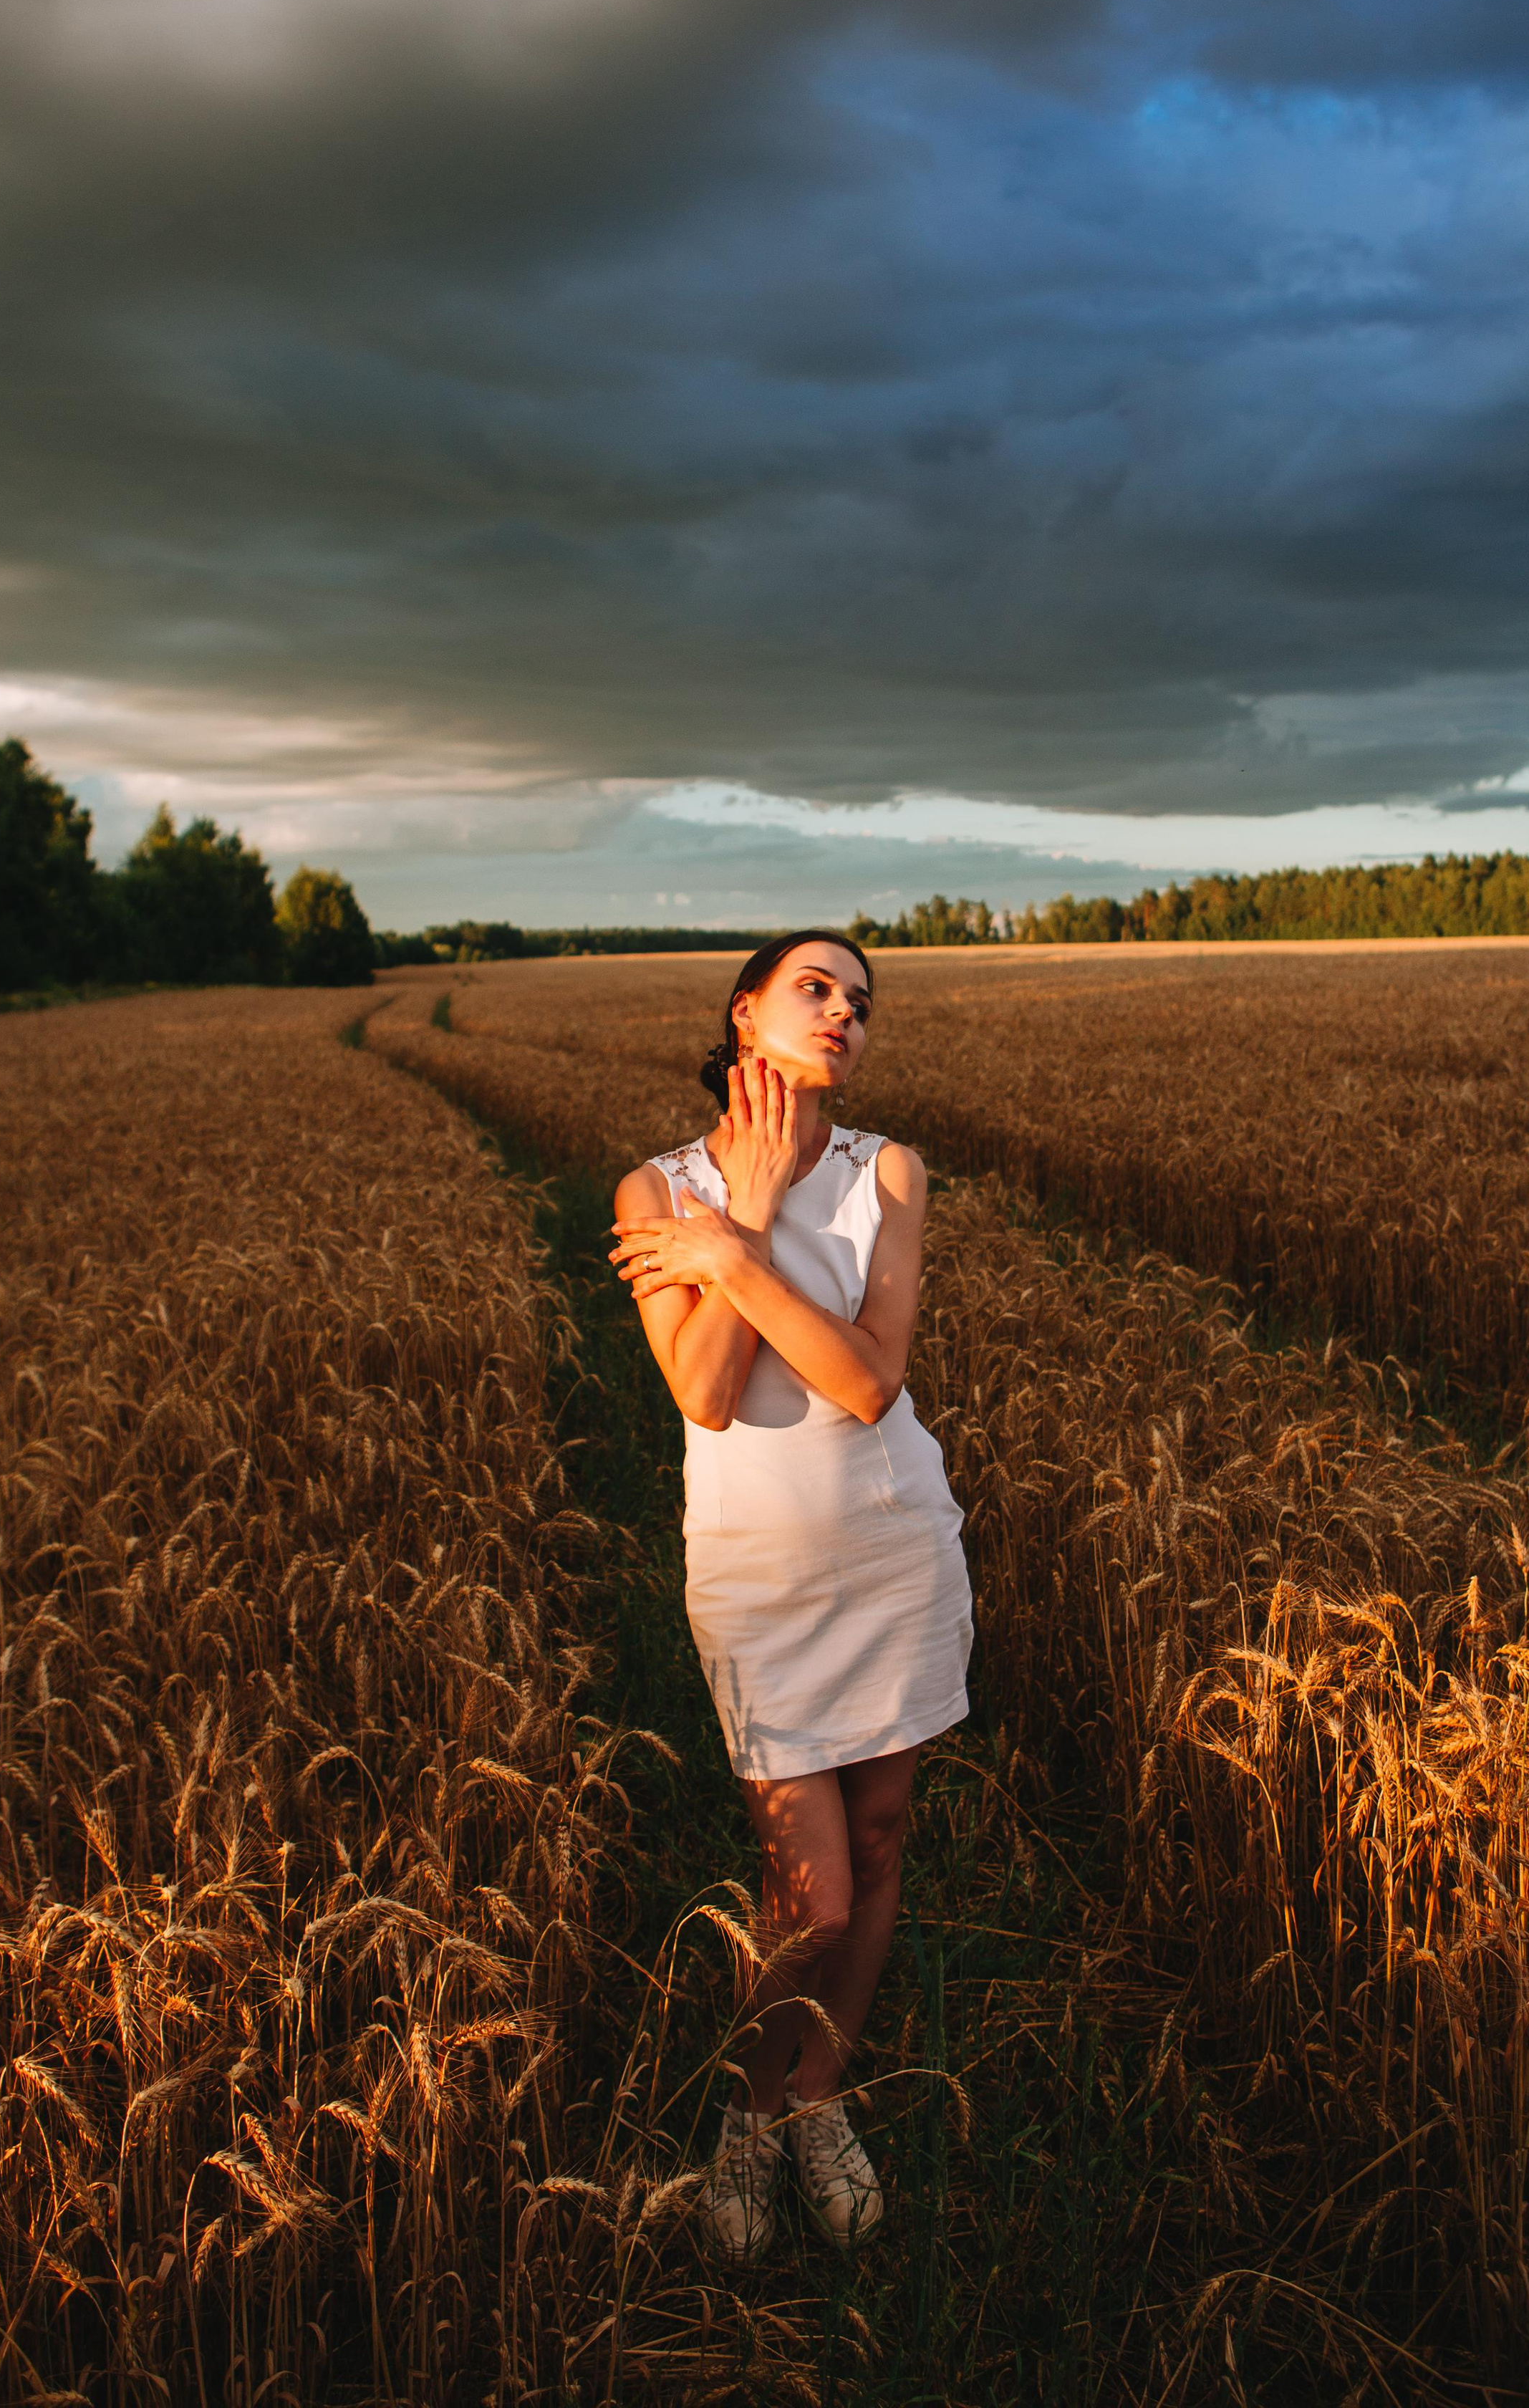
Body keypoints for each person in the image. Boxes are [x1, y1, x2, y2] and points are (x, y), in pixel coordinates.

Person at [609, 930, 974, 2260]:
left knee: (877, 1849)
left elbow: (871, 1382)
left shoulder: (890, 1174)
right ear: (744, 1011)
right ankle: (748, 2119)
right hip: (760, 1578)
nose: (845, 1014)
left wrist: (737, 1265)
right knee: (807, 1891)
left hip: (892, 1547)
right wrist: (746, 1210)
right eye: (815, 988)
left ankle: (820, 2099)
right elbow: (705, 1391)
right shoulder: (656, 1194)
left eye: (861, 1003)